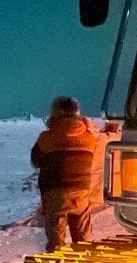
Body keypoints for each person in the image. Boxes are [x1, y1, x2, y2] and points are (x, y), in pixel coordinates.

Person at [31, 94, 101, 251]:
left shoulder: (45, 138)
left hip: (54, 193)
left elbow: (35, 161)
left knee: (56, 242)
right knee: (82, 241)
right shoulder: (89, 137)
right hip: (81, 192)